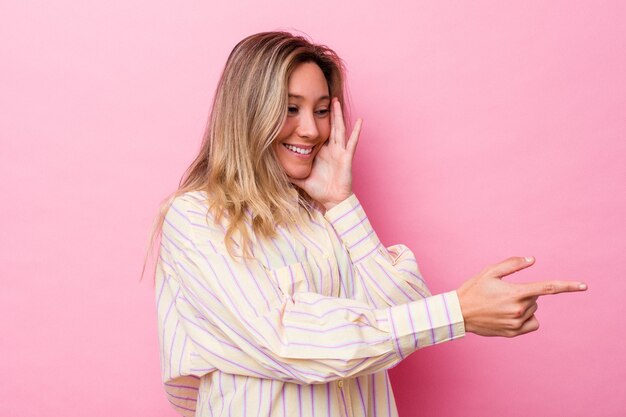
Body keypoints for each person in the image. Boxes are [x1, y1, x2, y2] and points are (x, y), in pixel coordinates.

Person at [153, 31, 587, 417]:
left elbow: (403, 312)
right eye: (290, 108)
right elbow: (286, 341)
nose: (310, 130)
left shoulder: (325, 215)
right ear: (247, 112)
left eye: (322, 110)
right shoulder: (196, 218)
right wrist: (458, 310)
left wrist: (342, 204)